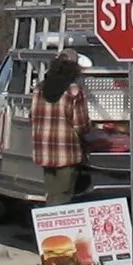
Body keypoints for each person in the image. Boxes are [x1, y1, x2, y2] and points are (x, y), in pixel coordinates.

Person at [30, 51, 90, 204]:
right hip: (66, 152)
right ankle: (56, 219)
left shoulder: (39, 89)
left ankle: (48, 218)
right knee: (63, 196)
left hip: (44, 150)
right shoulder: (74, 91)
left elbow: (32, 117)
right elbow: (81, 125)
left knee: (52, 194)